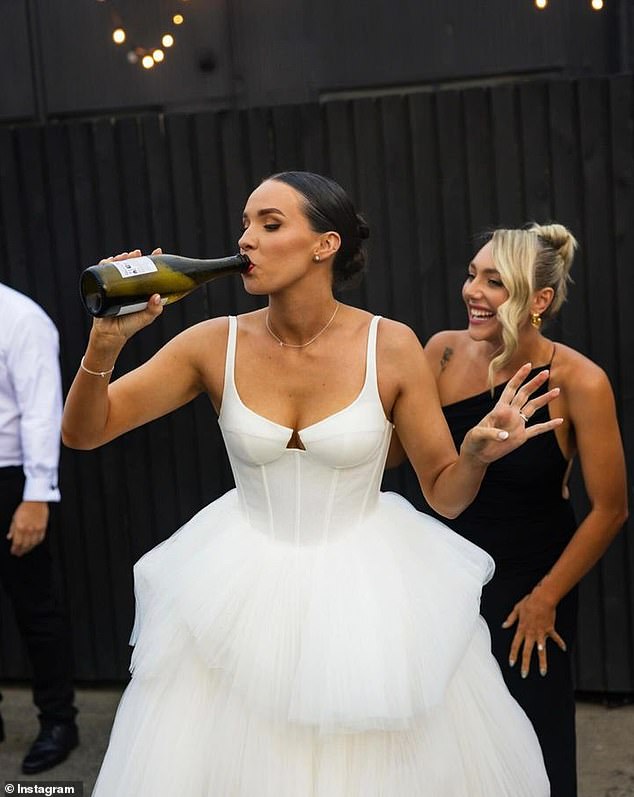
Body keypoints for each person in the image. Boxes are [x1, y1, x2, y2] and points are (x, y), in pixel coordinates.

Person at [63, 172, 562, 796]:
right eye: (245, 224)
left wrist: (476, 455)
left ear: (325, 245)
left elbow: (447, 496)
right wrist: (105, 343)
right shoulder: (212, 343)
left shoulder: (392, 344)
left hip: (370, 596)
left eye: (270, 224)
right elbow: (85, 432)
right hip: (236, 593)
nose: (247, 238)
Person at [418, 224, 628, 796]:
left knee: (532, 741)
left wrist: (547, 598)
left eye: (495, 282)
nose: (473, 292)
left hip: (527, 591)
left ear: (539, 301)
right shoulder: (439, 353)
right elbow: (395, 454)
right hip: (444, 580)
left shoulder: (580, 381)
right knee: (443, 742)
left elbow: (610, 508)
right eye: (471, 275)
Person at [0, 282, 78, 773]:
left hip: (10, 479)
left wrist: (36, 497)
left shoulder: (21, 318)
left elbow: (42, 413)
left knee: (35, 610)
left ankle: (58, 723)